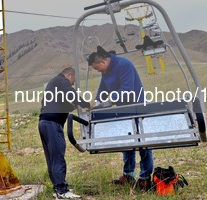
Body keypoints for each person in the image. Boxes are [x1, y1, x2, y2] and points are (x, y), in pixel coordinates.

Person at [88, 46, 154, 191]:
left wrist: (110, 101)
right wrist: (98, 103)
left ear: (103, 62)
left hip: (137, 107)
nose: (97, 71)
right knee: (127, 141)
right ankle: (129, 175)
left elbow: (127, 90)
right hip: (122, 110)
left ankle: (145, 178)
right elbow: (103, 89)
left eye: (97, 68)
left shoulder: (123, 65)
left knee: (143, 142)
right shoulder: (107, 71)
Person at [39, 67, 91, 199]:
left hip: (44, 123)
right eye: (72, 81)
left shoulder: (53, 83)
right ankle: (62, 191)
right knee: (57, 157)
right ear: (70, 75)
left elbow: (59, 103)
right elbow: (71, 94)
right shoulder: (62, 80)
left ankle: (58, 187)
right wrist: (86, 104)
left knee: (51, 158)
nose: (72, 84)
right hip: (52, 124)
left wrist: (71, 106)